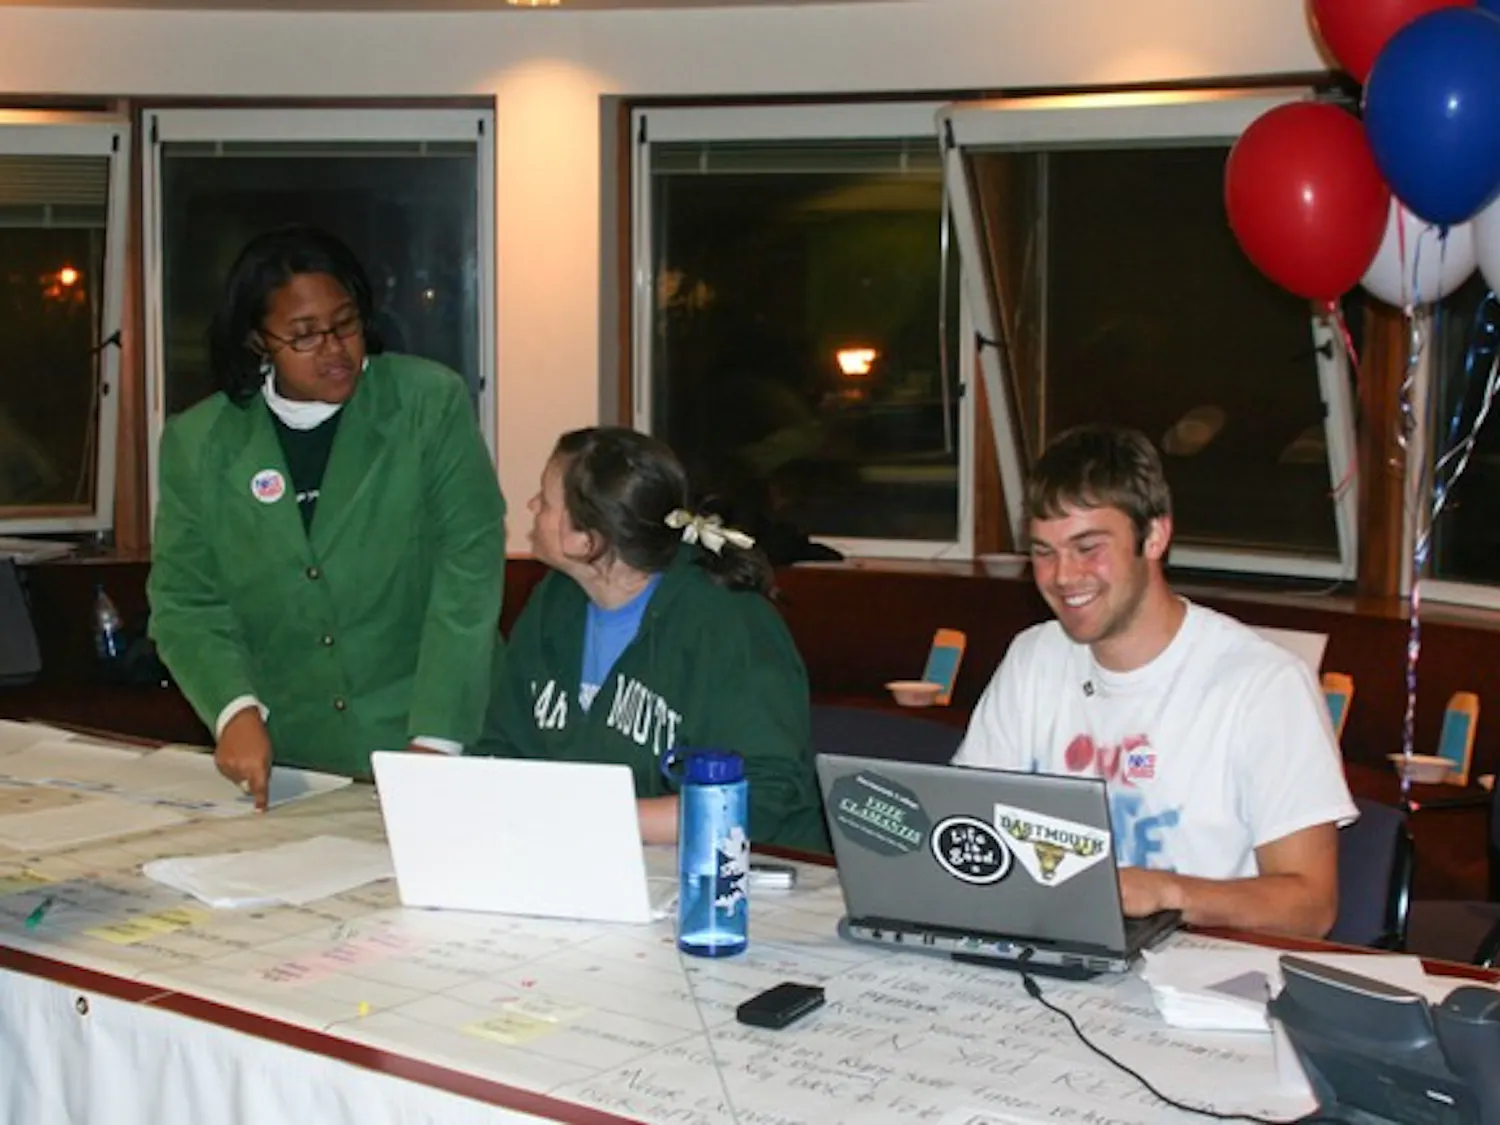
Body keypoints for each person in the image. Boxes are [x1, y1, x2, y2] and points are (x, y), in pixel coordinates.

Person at [148, 226, 505, 807]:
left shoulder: (426, 405)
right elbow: (186, 601)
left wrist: (438, 741)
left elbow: (468, 574)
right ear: (258, 341)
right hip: (294, 759)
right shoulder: (199, 443)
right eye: (305, 336)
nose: (335, 349)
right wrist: (233, 709)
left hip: (437, 740)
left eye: (345, 323)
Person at [953, 424, 1355, 938]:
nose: (1063, 576)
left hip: (1199, 979)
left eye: (1088, 547)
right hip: (1052, 951)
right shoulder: (1033, 658)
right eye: (1043, 552)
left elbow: (1311, 906)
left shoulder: (1264, 683)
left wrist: (1168, 893)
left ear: (1156, 536)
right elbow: (970, 827)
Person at [475, 426, 828, 852]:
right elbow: (503, 746)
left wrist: (587, 817)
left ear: (588, 539)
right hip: (591, 859)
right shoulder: (555, 601)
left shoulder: (730, 623)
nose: (531, 506)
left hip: (747, 876)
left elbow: (760, 797)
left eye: (546, 502)